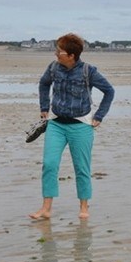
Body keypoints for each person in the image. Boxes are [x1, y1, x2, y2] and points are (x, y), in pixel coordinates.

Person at [30, 33, 115, 221]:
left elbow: (109, 91)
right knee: (49, 164)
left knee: (82, 168)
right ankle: (46, 208)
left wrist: (99, 116)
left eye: (59, 51)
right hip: (56, 124)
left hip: (81, 126)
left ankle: (84, 207)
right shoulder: (53, 68)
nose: (56, 54)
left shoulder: (88, 71)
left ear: (71, 55)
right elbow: (44, 84)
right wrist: (44, 107)